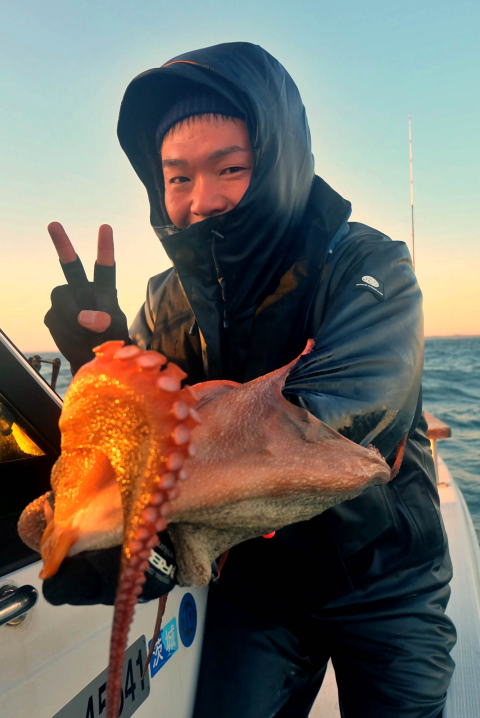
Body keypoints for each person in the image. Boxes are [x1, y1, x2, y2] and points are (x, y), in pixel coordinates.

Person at [43, 42, 456, 717]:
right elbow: (153, 433)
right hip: (258, 587)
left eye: (230, 168)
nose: (201, 200)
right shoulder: (164, 300)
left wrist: (156, 524)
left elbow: (335, 428)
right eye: (177, 177)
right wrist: (108, 361)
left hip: (383, 576)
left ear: (279, 161)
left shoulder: (367, 264)